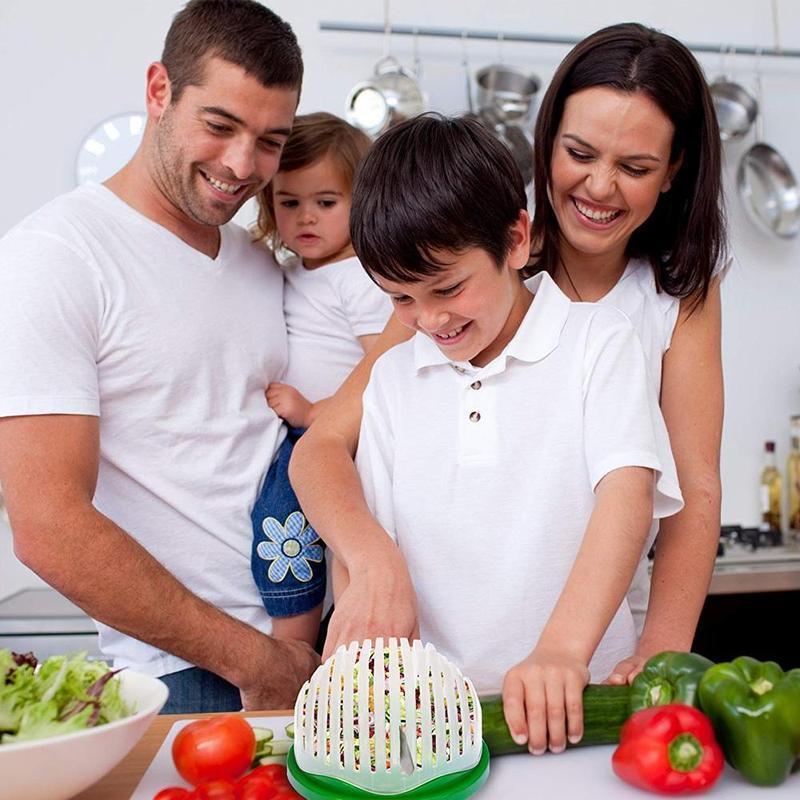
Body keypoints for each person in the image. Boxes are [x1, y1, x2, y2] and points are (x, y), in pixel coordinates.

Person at [289, 21, 725, 744]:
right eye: (579, 152)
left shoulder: (648, 309)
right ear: (546, 141)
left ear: (674, 169)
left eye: (636, 166)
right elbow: (332, 444)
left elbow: (683, 488)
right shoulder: (451, 268)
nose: (599, 185)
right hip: (436, 709)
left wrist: (658, 654)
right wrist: (370, 567)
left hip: (587, 658)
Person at [0, 0, 319, 714]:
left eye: (271, 140)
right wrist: (255, 660)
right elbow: (47, 525)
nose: (242, 165)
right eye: (219, 126)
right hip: (198, 675)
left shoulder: (261, 261)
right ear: (158, 91)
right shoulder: (53, 259)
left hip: (314, 650)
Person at [343, 112, 683, 754]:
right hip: (436, 730)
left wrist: (561, 650)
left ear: (516, 240)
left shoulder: (598, 342)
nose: (427, 320)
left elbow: (627, 497)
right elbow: (371, 548)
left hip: (584, 713)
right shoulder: (391, 378)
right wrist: (373, 670)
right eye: (399, 299)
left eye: (447, 288)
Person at [247, 113, 392, 646]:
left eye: (326, 203)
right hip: (305, 429)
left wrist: (316, 413)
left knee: (283, 520)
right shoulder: (292, 271)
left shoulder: (360, 278)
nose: (306, 218)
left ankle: (294, 644)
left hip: (334, 433)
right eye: (289, 203)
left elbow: (383, 366)